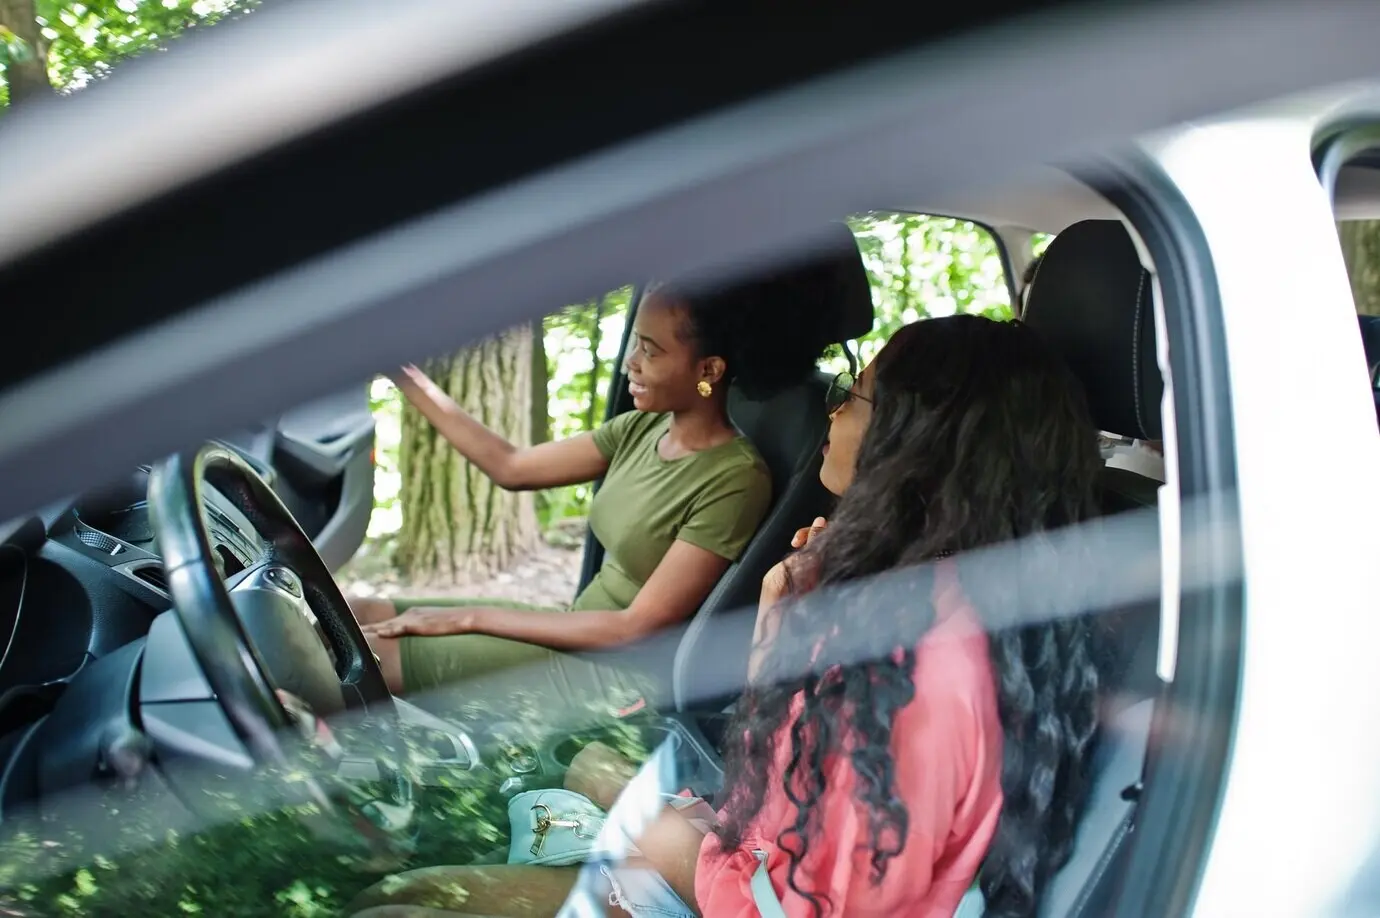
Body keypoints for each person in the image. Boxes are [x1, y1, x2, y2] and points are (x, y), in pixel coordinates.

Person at [346, 314, 1107, 918]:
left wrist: (682, 844)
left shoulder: (920, 674)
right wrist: (784, 622)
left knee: (401, 907)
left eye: (855, 395)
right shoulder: (893, 606)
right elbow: (783, 795)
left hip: (744, 891)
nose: (833, 412)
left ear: (922, 444)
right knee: (557, 784)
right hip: (750, 862)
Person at [350, 275, 834, 708]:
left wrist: (470, 616)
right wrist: (402, 373)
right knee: (353, 613)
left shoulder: (735, 478)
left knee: (366, 657)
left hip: (614, 674)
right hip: (575, 628)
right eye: (635, 345)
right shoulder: (639, 430)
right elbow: (510, 466)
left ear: (708, 371)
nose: (631, 363)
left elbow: (634, 627)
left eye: (651, 350)